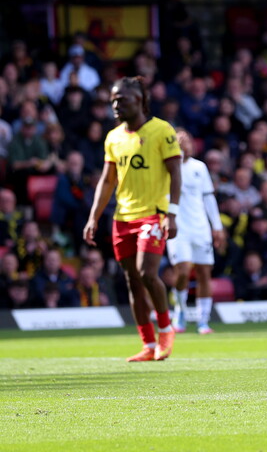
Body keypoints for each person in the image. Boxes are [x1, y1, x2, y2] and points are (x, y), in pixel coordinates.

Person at [84, 77, 182, 362]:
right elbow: (106, 181)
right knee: (132, 281)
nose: (116, 105)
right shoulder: (113, 137)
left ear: (139, 100)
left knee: (147, 272)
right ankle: (148, 345)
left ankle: (166, 329)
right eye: (113, 99)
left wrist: (171, 213)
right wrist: (93, 217)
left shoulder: (162, 130)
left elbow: (176, 173)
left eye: (121, 99)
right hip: (122, 217)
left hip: (153, 213)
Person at [167, 129, 225, 335]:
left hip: (200, 228)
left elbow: (208, 198)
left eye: (189, 141)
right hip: (178, 229)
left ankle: (203, 321)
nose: (187, 145)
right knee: (182, 272)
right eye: (181, 142)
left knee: (204, 274)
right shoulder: (166, 168)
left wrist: (216, 226)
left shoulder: (200, 167)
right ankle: (180, 311)